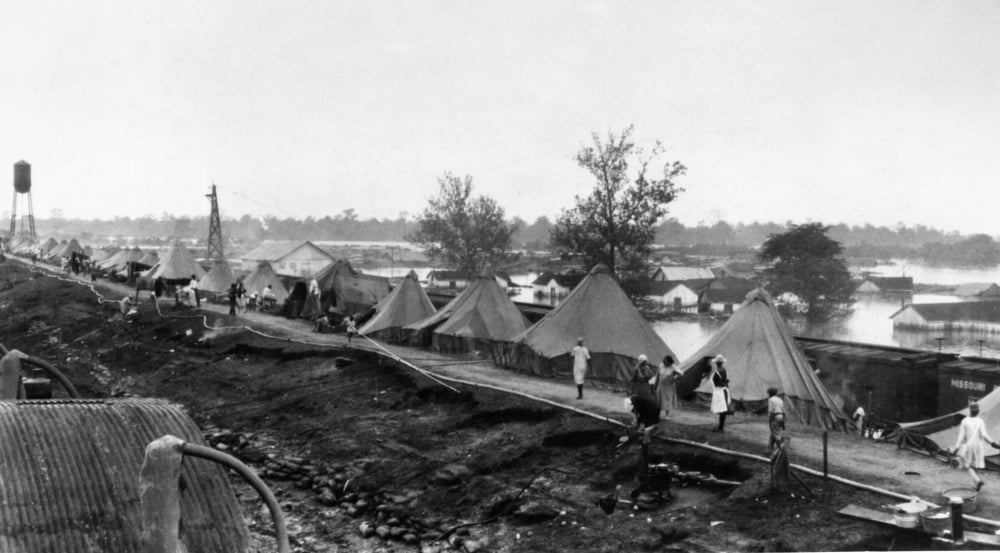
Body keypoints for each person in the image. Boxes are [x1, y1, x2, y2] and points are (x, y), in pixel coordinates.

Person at [951, 402, 999, 491]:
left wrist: (956, 447)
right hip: (979, 447)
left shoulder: (965, 421)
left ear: (970, 410)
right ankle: (976, 485)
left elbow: (961, 437)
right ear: (978, 411)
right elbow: (984, 436)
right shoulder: (980, 421)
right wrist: (993, 443)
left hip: (969, 446)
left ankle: (978, 480)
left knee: (967, 466)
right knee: (974, 465)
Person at [706, 355, 731, 432]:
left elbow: (717, 382)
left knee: (722, 409)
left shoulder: (717, 372)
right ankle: (720, 426)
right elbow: (726, 380)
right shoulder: (724, 370)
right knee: (723, 409)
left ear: (716, 363)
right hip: (724, 390)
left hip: (719, 391)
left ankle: (720, 427)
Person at [767, 387, 786, 453]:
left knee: (776, 434)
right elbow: (783, 411)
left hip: (775, 416)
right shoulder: (780, 400)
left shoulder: (771, 400)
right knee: (773, 433)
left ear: (770, 393)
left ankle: (782, 448)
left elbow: (771, 411)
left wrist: (769, 419)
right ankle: (769, 449)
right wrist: (783, 422)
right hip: (781, 416)